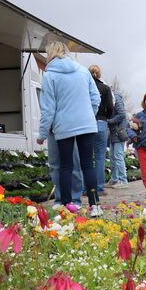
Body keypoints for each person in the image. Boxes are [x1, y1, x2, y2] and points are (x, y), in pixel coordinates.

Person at [36, 42, 102, 216]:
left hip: (64, 125)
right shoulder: (83, 71)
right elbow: (95, 97)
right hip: (87, 124)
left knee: (65, 165)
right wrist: (89, 114)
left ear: (50, 54)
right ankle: (95, 206)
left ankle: (67, 205)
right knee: (88, 165)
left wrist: (42, 133)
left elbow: (48, 108)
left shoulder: (50, 76)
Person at [88, 65, 114, 196]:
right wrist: (106, 117)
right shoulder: (105, 88)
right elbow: (110, 107)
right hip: (101, 123)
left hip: (86, 123)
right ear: (99, 74)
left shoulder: (85, 87)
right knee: (99, 157)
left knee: (86, 157)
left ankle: (85, 188)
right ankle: (98, 188)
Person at [106, 90, 129, 189]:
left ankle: (123, 180)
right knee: (112, 156)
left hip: (119, 131)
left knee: (118, 156)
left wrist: (109, 121)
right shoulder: (112, 97)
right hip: (114, 132)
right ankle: (114, 179)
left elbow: (122, 114)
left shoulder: (115, 97)